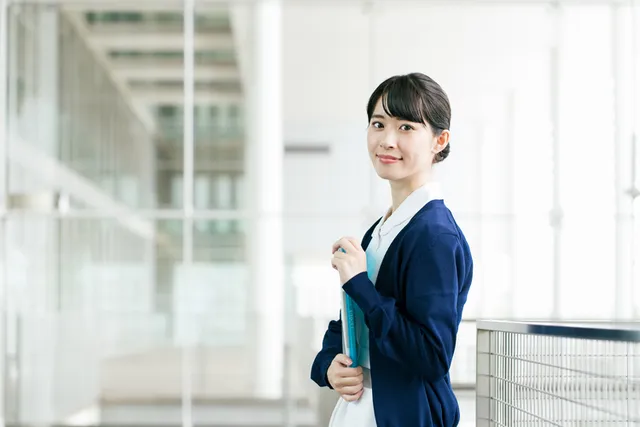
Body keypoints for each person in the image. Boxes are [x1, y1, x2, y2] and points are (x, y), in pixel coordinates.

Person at [310, 72, 473, 427]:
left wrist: (359, 284)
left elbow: (431, 356)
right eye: (378, 124)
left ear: (439, 140)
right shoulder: (383, 229)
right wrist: (327, 366)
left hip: (401, 414)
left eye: (406, 128)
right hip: (364, 407)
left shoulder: (434, 236)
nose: (386, 140)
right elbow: (350, 323)